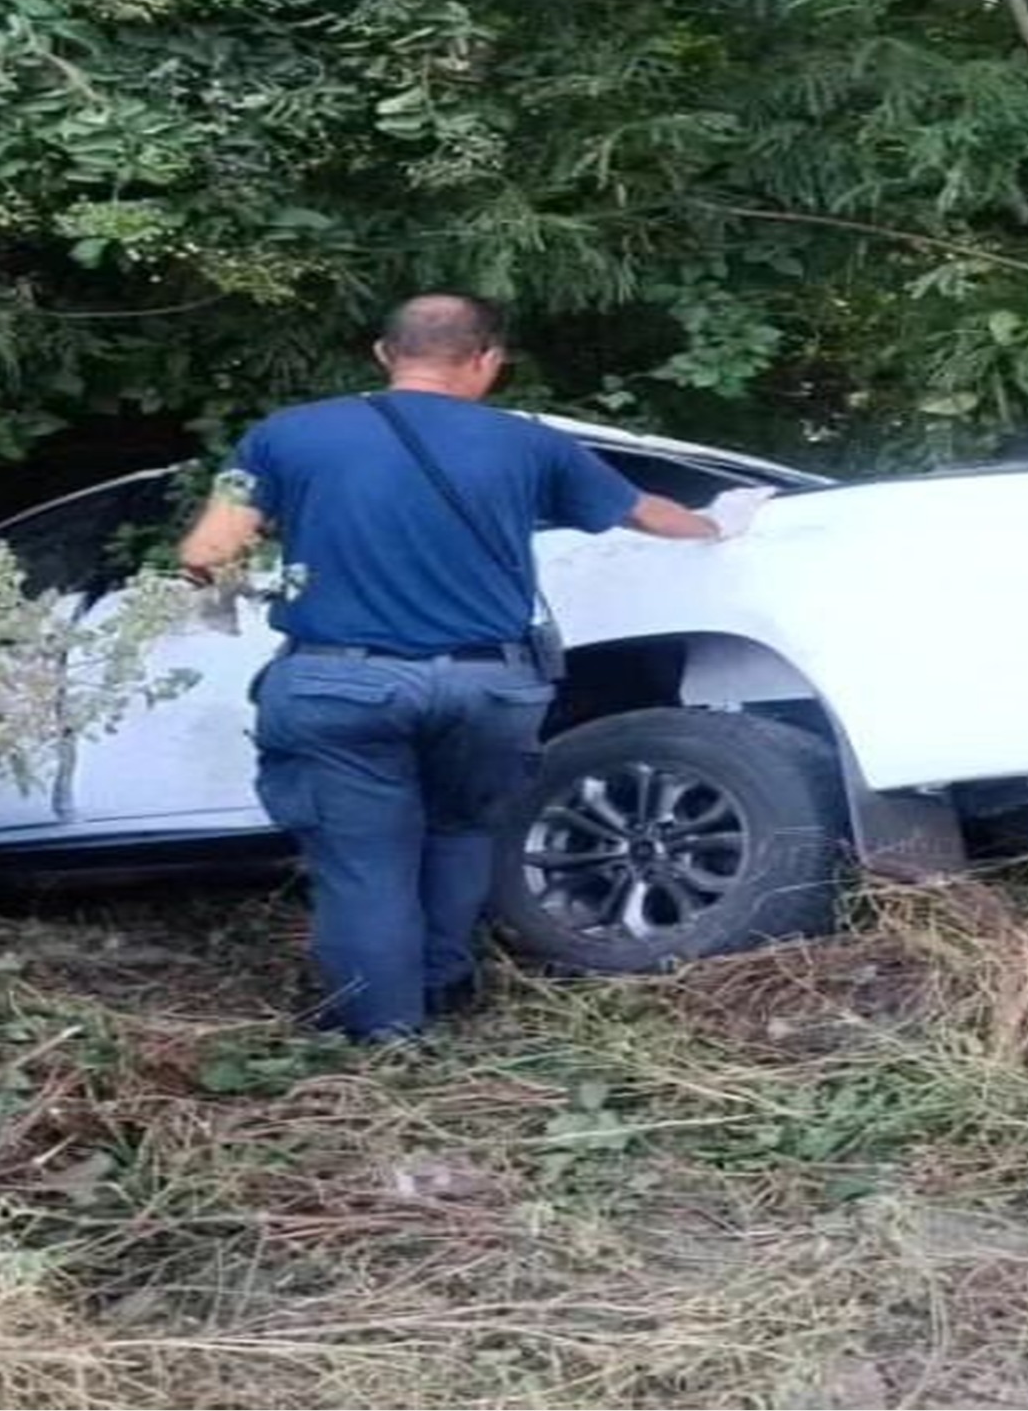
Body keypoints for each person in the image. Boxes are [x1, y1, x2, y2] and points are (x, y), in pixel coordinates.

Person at [178, 293, 753, 1042]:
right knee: (457, 836)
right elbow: (647, 513)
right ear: (487, 361)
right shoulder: (529, 444)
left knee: (366, 863)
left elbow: (206, 553)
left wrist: (224, 589)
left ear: (385, 355)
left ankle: (384, 1038)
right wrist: (722, 522)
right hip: (491, 687)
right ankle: (445, 991)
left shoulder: (283, 437)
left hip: (340, 683)